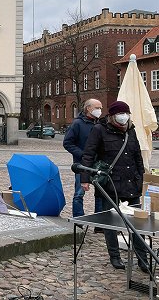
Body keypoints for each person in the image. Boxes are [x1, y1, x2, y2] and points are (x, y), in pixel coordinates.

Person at [81, 100, 148, 272]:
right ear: (111, 116)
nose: (123, 117)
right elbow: (88, 154)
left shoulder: (131, 130)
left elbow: (137, 157)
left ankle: (143, 258)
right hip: (109, 184)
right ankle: (115, 256)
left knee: (138, 224)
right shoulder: (99, 130)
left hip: (131, 183)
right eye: (120, 114)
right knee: (110, 223)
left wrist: (142, 178)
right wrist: (85, 178)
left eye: (126, 113)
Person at [63, 98, 103, 218]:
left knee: (100, 194)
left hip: (98, 164)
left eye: (100, 108)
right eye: (97, 108)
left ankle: (100, 223)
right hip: (82, 164)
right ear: (88, 108)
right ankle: (79, 220)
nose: (100, 110)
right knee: (79, 194)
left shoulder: (100, 123)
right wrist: (83, 155)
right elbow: (68, 143)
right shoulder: (77, 123)